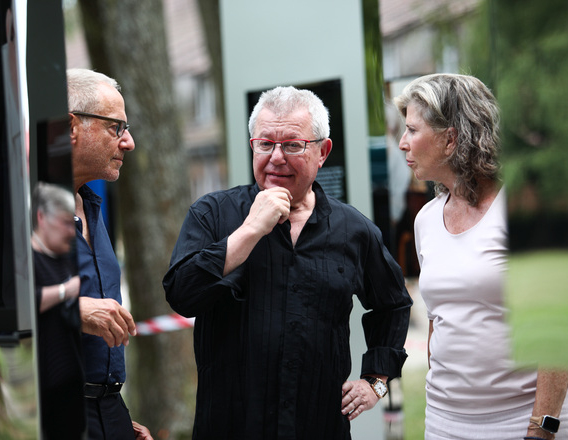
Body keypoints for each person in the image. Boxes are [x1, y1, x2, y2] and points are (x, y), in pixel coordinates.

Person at [163, 86, 413, 440]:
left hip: (317, 425)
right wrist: (250, 231)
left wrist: (377, 381)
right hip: (232, 426)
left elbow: (393, 304)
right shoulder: (212, 214)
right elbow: (181, 293)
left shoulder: (353, 230)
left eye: (292, 145)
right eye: (265, 144)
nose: (276, 158)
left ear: (322, 152)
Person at [394, 73, 568, 440]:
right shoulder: (426, 220)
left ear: (450, 138)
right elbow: (439, 319)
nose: (402, 143)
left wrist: (541, 427)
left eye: (412, 130)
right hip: (446, 420)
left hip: (526, 419)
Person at [67, 68, 152, 440]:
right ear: (71, 127)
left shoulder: (93, 205)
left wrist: (116, 419)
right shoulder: (12, 205)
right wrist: (71, 310)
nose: (129, 142)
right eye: (116, 127)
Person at [31, 181, 85, 439]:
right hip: (44, 387)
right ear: (42, 218)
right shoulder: (27, 259)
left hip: (72, 384)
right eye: (65, 223)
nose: (70, 232)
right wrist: (66, 290)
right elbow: (26, 301)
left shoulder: (65, 257)